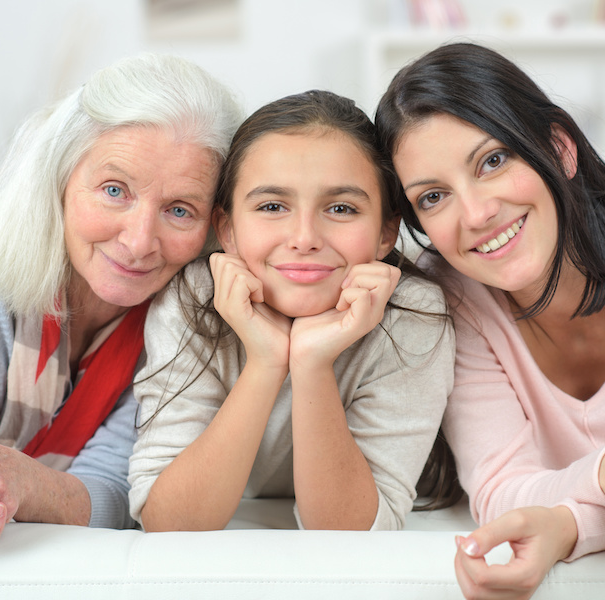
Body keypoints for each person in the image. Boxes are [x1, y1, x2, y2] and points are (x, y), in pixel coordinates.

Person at [376, 41, 605, 598]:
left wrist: (571, 525)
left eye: (493, 161)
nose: (476, 215)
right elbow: (501, 492)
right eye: (433, 197)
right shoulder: (448, 296)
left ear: (559, 148)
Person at [0, 53, 242, 548]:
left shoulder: (195, 307)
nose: (139, 241)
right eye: (114, 189)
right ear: (60, 177)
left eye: (180, 210)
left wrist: (27, 482)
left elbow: (125, 494)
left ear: (214, 224)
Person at [128, 90, 458, 532]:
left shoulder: (411, 313)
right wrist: (265, 361)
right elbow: (169, 522)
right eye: (272, 206)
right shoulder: (194, 299)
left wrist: (312, 363)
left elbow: (348, 535)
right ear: (226, 229)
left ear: (385, 233)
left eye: (340, 208)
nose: (304, 237)